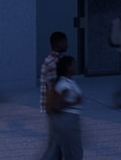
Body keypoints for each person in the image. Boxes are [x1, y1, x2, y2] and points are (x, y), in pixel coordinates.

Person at [47, 55, 84, 159]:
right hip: (69, 120)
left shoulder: (66, 82)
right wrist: (75, 102)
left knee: (63, 152)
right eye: (73, 65)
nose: (75, 67)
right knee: (75, 153)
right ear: (68, 67)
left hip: (66, 121)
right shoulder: (65, 84)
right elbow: (57, 106)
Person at [39, 31, 69, 160]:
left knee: (57, 144)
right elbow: (54, 89)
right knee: (55, 144)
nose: (67, 44)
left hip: (54, 108)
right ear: (58, 44)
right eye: (64, 41)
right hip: (54, 108)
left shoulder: (55, 60)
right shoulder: (53, 63)